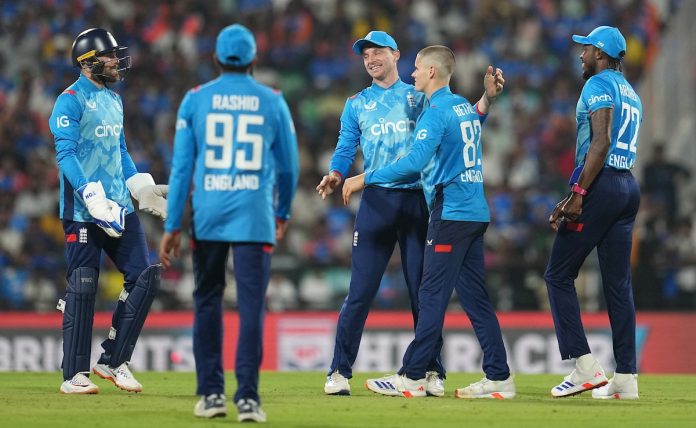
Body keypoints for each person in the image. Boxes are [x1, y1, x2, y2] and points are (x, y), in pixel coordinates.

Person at [342, 45, 515, 399]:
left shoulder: (435, 113)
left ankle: (413, 375)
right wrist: (487, 99)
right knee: (475, 299)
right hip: (475, 212)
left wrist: (364, 178)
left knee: (431, 294)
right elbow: (473, 118)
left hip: (450, 213)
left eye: (418, 68)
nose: (413, 73)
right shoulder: (461, 107)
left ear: (432, 72)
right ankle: (499, 376)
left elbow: (413, 163)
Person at [159, 24, 299, 422]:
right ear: (254, 59)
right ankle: (249, 399)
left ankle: (211, 394)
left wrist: (172, 224)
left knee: (207, 300)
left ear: (216, 58)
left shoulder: (195, 99)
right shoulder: (273, 101)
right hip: (255, 215)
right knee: (252, 305)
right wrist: (282, 213)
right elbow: (289, 168)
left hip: (209, 216)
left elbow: (181, 168)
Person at [315, 31, 444, 396]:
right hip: (376, 203)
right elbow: (346, 145)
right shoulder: (356, 103)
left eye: (377, 52)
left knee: (423, 293)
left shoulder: (419, 97)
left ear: (396, 55)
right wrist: (336, 173)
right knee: (360, 292)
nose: (370, 59)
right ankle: (338, 372)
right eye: (365, 55)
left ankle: (430, 371)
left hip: (417, 201)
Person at [48, 28, 168, 395]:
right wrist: (89, 194)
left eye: (116, 55)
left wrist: (139, 186)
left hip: (119, 207)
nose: (116, 61)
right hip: (84, 211)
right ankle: (74, 375)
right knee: (83, 286)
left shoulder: (114, 100)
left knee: (145, 277)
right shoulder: (69, 101)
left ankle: (114, 361)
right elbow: (66, 155)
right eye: (109, 56)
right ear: (88, 62)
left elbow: (120, 151)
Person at [544, 26, 642, 400]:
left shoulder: (597, 84)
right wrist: (574, 192)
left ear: (600, 54)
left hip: (601, 186)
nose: (581, 54)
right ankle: (626, 377)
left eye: (586, 48)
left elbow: (600, 144)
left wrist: (579, 194)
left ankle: (585, 367)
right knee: (618, 285)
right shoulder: (630, 92)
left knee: (557, 274)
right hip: (626, 186)